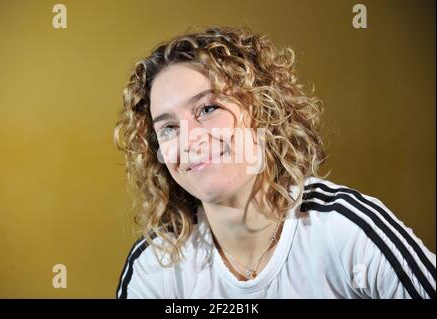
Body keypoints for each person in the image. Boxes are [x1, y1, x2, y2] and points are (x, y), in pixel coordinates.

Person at [114, 25, 436, 298]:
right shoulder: (154, 267)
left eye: (208, 109)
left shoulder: (346, 230)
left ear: (262, 110)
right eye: (169, 127)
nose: (189, 139)